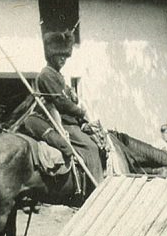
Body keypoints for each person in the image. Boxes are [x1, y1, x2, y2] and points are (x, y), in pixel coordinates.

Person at [20, 31, 104, 184]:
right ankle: (96, 185)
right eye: (60, 56)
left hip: (69, 119)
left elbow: (69, 98)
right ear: (51, 55)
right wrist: (81, 112)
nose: (63, 59)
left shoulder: (58, 75)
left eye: (65, 56)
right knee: (91, 147)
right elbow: (60, 103)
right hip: (57, 120)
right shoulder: (46, 75)